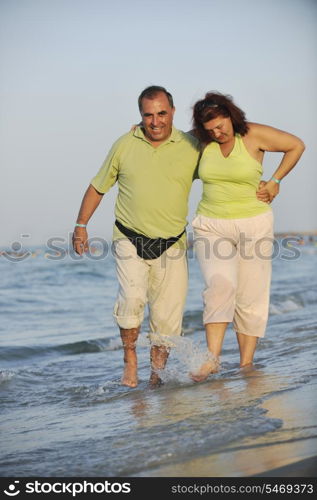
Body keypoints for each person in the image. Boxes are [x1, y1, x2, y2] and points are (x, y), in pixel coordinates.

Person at [72, 86, 201, 388]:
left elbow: (221, 169)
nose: (155, 121)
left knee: (167, 321)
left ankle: (156, 375)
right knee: (131, 301)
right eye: (148, 115)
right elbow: (98, 186)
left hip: (172, 243)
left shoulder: (191, 145)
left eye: (161, 114)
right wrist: (81, 224)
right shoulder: (124, 145)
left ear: (172, 111)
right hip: (129, 236)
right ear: (140, 115)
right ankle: (130, 358)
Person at [189, 91, 305, 382]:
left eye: (221, 126)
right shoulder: (200, 140)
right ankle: (212, 360)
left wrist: (276, 180)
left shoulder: (253, 134)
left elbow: (296, 145)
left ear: (230, 115)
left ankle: (245, 364)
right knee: (219, 286)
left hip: (254, 222)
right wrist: (139, 130)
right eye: (210, 130)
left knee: (251, 295)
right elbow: (166, 142)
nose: (217, 133)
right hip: (211, 224)